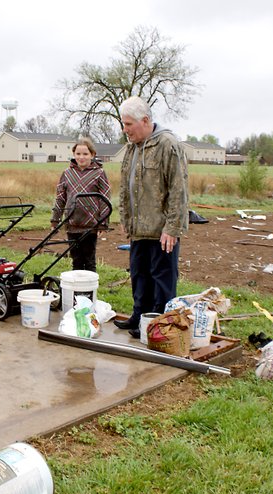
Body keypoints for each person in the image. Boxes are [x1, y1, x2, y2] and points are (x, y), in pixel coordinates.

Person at [112, 96, 189, 338]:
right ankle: (139, 316)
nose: (125, 130)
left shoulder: (168, 145)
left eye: (128, 124)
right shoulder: (131, 148)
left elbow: (179, 190)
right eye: (123, 124)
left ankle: (157, 325)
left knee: (161, 278)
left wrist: (172, 227)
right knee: (139, 274)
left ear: (145, 121)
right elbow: (125, 186)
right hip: (138, 228)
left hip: (161, 230)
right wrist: (125, 218)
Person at [51, 137, 111, 272]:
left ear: (92, 155)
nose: (81, 157)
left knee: (89, 261)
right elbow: (60, 197)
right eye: (78, 154)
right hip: (72, 224)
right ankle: (76, 290)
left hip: (90, 225)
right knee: (76, 261)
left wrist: (103, 223)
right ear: (74, 154)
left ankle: (90, 291)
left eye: (85, 154)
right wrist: (55, 219)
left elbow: (105, 199)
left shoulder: (99, 173)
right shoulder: (67, 173)